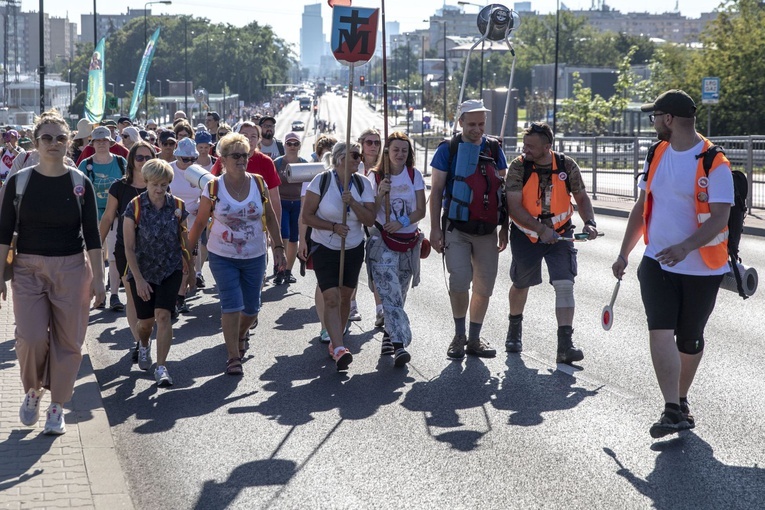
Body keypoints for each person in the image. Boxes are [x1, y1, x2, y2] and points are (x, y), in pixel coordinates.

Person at [613, 89, 733, 438]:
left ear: (667, 119)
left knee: (690, 339)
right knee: (660, 331)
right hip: (657, 264)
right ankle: (671, 407)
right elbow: (641, 207)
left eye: (654, 116)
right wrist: (624, 253)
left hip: (701, 267)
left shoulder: (715, 162)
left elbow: (720, 218)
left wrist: (685, 248)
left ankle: (681, 399)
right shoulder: (656, 153)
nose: (652, 122)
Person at [0, 110, 105, 435]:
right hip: (28, 269)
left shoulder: (79, 183)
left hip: (73, 269)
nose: (54, 143)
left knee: (68, 343)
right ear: (35, 141)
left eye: (61, 138)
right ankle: (33, 391)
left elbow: (92, 234)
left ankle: (57, 407)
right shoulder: (19, 182)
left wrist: (100, 279)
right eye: (47, 137)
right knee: (30, 338)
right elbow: (4, 232)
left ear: (69, 142)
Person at [187, 133, 286, 376]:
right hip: (222, 255)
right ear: (222, 158)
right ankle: (233, 356)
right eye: (236, 155)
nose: (242, 159)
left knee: (251, 309)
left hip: (255, 255)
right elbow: (200, 222)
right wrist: (187, 253)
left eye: (245, 155)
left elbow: (270, 217)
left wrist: (279, 249)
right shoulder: (213, 187)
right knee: (231, 305)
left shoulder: (259, 183)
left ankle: (240, 335)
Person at [504, 122, 596, 365]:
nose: (526, 150)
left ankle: (565, 346)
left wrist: (590, 222)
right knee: (521, 283)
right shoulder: (518, 167)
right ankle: (514, 329)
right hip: (526, 235)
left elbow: (581, 196)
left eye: (531, 146)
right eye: (525, 145)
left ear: (547, 147)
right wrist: (539, 229)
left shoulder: (566, 165)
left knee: (565, 284)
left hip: (561, 233)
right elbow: (514, 206)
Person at [429, 99, 508, 360]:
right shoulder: (448, 149)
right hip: (456, 228)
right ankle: (459, 335)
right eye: (472, 124)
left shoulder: (495, 148)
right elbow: (437, 191)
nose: (477, 129)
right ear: (460, 121)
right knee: (459, 281)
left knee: (484, 287)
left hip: (487, 230)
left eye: (481, 124)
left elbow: (503, 192)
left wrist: (504, 228)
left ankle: (474, 339)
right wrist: (434, 230)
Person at [300, 142, 376, 371]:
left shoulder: (362, 184)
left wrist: (352, 202)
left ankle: (336, 341)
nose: (359, 159)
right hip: (325, 247)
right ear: (340, 158)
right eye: (354, 155)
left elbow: (370, 220)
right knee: (331, 297)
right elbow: (307, 217)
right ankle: (340, 347)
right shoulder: (321, 181)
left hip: (353, 248)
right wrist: (332, 226)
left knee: (345, 297)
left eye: (360, 155)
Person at [123, 158, 193, 387]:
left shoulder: (178, 206)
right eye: (155, 184)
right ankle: (143, 345)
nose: (159, 189)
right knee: (146, 323)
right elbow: (129, 248)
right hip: (142, 271)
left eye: (164, 184)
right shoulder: (134, 206)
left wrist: (189, 269)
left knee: (164, 316)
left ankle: (162, 366)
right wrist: (140, 280)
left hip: (169, 269)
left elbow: (184, 240)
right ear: (146, 181)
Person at [366, 132, 426, 366]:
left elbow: (420, 209)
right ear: (387, 152)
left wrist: (401, 222)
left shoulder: (414, 175)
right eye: (395, 150)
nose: (400, 154)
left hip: (408, 243)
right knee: (389, 295)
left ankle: (389, 336)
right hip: (382, 242)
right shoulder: (376, 176)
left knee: (398, 296)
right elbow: (369, 215)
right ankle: (400, 345)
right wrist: (380, 193)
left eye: (404, 150)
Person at [99, 141, 151, 363]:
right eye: (140, 158)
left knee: (152, 301)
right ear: (131, 160)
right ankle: (139, 342)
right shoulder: (118, 187)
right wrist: (96, 247)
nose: (144, 162)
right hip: (125, 249)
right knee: (132, 295)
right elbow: (108, 217)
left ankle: (145, 335)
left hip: (155, 251)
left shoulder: (159, 184)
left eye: (149, 157)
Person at [78, 126, 128, 311]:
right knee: (95, 255)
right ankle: (97, 292)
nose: (101, 144)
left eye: (104, 140)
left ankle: (114, 294)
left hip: (115, 216)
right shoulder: (85, 165)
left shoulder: (121, 163)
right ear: (92, 143)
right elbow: (78, 191)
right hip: (92, 217)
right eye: (98, 141)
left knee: (114, 255)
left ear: (110, 142)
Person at [300, 135, 337, 344]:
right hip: (319, 238)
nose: (330, 155)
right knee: (324, 282)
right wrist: (301, 241)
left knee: (341, 286)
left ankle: (337, 322)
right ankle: (325, 327)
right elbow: (304, 214)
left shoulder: (348, 176)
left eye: (334, 151)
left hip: (346, 239)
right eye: (326, 151)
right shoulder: (313, 177)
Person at [168, 138, 204, 315]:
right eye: (185, 159)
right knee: (170, 260)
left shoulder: (199, 173)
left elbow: (208, 196)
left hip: (191, 220)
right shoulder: (168, 170)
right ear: (177, 157)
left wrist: (202, 209)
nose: (189, 163)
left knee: (186, 258)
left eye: (192, 159)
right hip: (169, 220)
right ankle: (169, 297)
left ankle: (180, 298)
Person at [353, 127, 384, 324]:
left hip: (376, 225)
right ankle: (351, 304)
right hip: (354, 223)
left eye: (377, 143)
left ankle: (380, 309)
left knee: (378, 267)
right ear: (362, 145)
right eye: (369, 142)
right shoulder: (352, 166)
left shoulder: (385, 169)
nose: (373, 146)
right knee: (353, 266)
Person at [273, 132, 307, 285]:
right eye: (289, 143)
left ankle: (288, 271)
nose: (292, 147)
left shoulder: (305, 163)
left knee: (294, 238)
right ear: (285, 145)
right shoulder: (277, 163)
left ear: (299, 146)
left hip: (298, 204)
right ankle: (280, 267)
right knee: (284, 236)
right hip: (282, 203)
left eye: (296, 144)